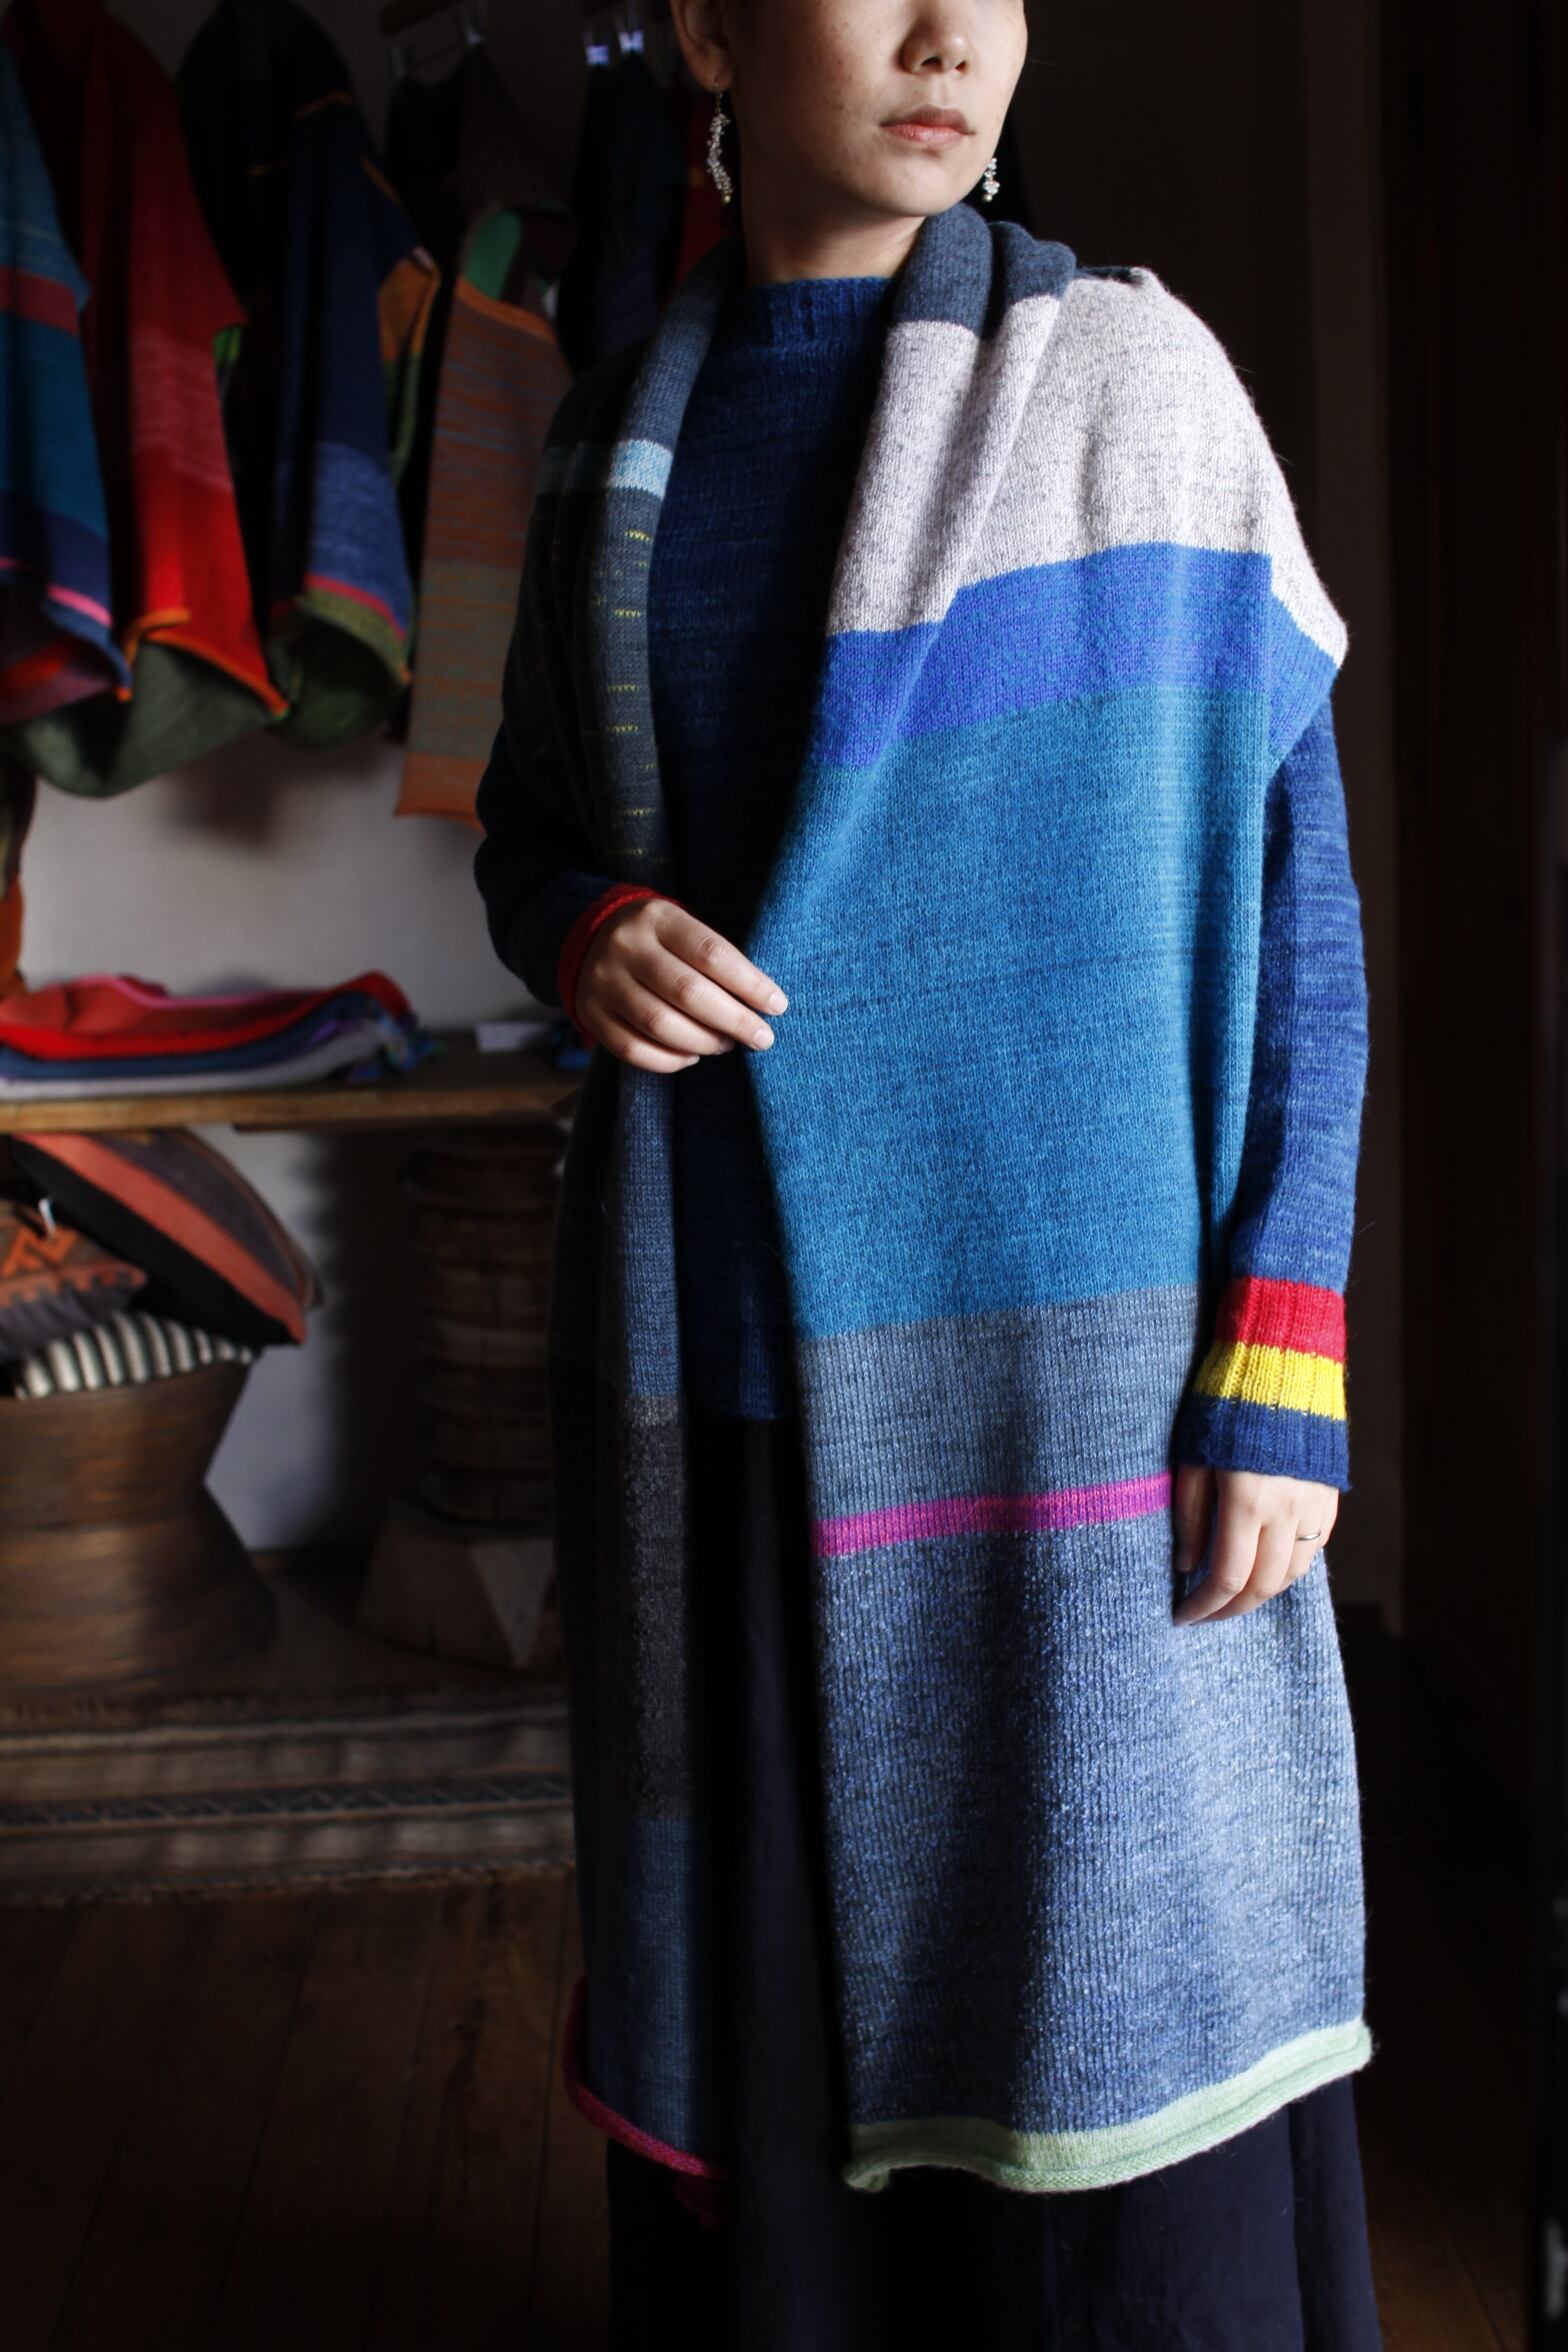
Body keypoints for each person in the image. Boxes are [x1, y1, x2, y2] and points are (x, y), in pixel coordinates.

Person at [472, 2, 1385, 2344]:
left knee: (1111, 2016)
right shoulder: (611, 439)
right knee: (780, 2072)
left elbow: (1300, 906)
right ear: (707, 29)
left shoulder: (1141, 390)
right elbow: (529, 823)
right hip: (726, 1376)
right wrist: (578, 925)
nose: (946, 32)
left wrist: (1284, 1352)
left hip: (1074, 1387)